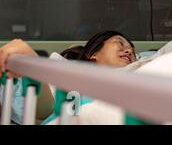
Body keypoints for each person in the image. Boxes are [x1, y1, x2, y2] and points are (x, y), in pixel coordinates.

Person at [0, 31, 136, 123]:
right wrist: (31, 63)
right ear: (93, 53)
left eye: (133, 51)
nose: (129, 51)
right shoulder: (70, 74)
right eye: (120, 43)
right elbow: (45, 110)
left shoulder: (140, 77)